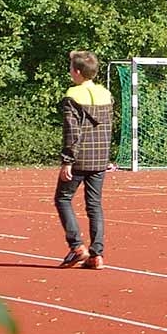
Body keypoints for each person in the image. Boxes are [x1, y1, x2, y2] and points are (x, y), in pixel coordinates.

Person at [55, 51, 113, 270]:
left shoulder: (73, 95)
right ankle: (97, 254)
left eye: (71, 68)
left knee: (63, 198)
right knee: (94, 205)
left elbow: (72, 130)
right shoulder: (106, 94)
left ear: (77, 72)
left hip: (79, 158)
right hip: (99, 158)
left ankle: (77, 246)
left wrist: (67, 160)